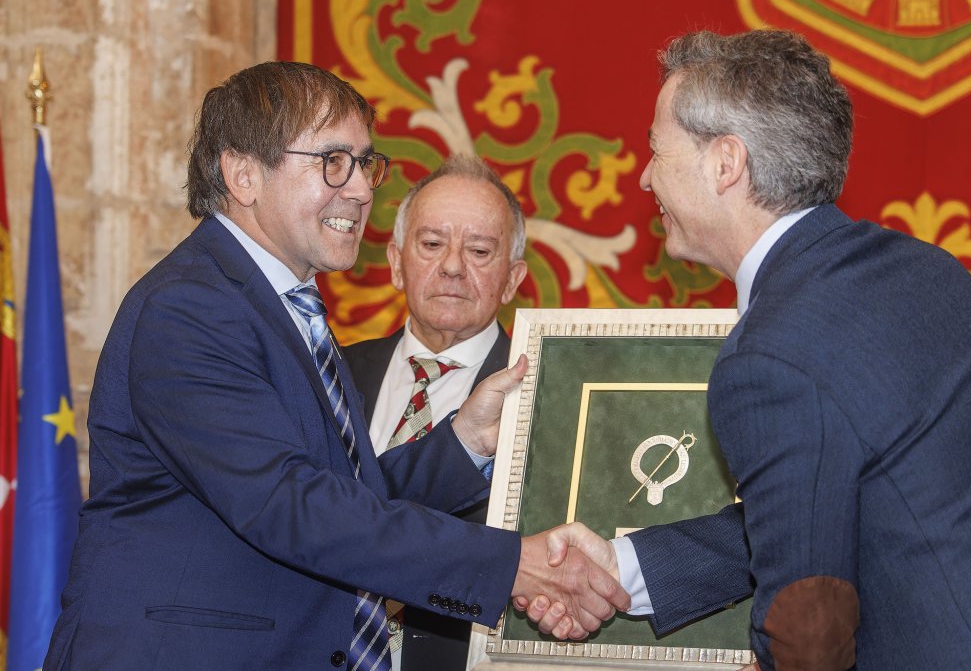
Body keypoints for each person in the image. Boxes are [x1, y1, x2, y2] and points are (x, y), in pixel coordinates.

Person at [522, 30, 971, 671]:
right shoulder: (927, 270)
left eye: (656, 150)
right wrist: (624, 569)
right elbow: (857, 502)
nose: (644, 178)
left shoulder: (769, 357)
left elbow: (809, 625)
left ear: (726, 163)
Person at [44, 61, 626, 670]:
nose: (360, 189)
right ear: (243, 174)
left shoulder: (285, 307)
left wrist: (465, 440)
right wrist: (510, 565)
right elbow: (289, 505)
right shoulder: (193, 307)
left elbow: (344, 495)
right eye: (332, 162)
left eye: (365, 163)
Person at [345, 154, 527, 670]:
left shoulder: (546, 394)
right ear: (396, 263)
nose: (452, 265)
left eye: (479, 249)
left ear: (512, 280)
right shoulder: (328, 374)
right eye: (431, 244)